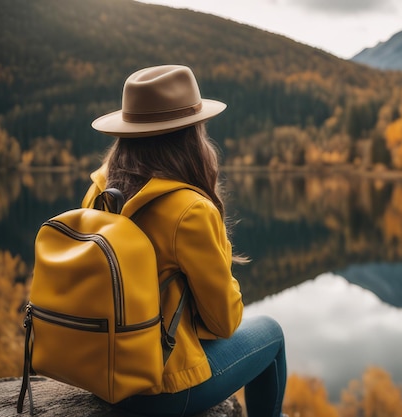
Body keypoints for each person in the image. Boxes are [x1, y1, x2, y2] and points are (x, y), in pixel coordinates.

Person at [82, 65, 287, 417]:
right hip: (160, 391)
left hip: (100, 373)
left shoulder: (99, 191)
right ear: (192, 136)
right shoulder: (189, 209)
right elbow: (224, 323)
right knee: (272, 333)